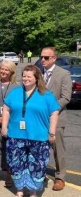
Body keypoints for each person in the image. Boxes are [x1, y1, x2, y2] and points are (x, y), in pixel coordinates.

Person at [1, 65, 60, 197]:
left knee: (37, 165)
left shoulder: (46, 94)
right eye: (24, 76)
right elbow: (6, 109)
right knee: (16, 163)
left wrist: (52, 132)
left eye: (29, 76)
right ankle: (20, 189)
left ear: (36, 78)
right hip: (16, 135)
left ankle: (33, 190)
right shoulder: (15, 92)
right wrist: (4, 127)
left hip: (39, 136)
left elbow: (54, 113)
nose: (25, 79)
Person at [40, 47, 72, 191]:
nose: (42, 60)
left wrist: (51, 109)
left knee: (57, 148)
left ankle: (60, 177)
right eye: (41, 57)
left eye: (46, 58)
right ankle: (39, 173)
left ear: (54, 58)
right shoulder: (39, 73)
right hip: (39, 118)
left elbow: (66, 97)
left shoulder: (64, 74)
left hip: (57, 117)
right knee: (40, 147)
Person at [0, 60, 19, 187]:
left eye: (6, 69)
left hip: (10, 124)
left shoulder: (17, 87)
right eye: (2, 69)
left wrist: (7, 120)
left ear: (11, 72)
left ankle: (9, 176)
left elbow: (18, 107)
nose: (3, 71)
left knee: (10, 149)